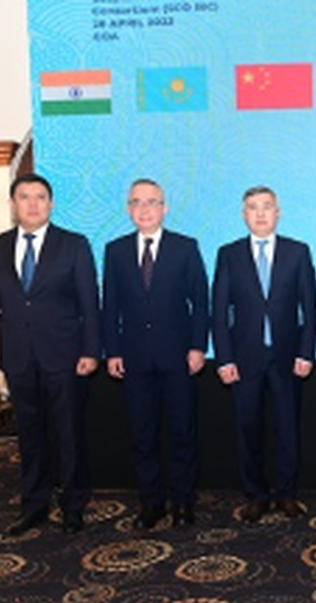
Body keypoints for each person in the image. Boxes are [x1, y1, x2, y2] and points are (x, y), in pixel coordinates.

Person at [0, 172, 100, 535]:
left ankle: (73, 505)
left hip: (65, 355)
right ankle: (34, 504)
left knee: (69, 433)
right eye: (25, 197)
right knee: (29, 434)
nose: (33, 204)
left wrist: (91, 350)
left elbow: (89, 303)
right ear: (13, 204)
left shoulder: (73, 244)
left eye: (40, 197)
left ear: (51, 204)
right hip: (18, 356)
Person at [102, 179, 209, 529]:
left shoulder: (185, 247)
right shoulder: (115, 251)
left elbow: (200, 302)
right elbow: (110, 306)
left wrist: (198, 346)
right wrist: (112, 350)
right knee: (142, 435)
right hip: (133, 357)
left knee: (183, 432)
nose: (144, 209)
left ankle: (183, 502)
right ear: (128, 209)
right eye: (137, 202)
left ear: (165, 208)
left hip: (179, 356)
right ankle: (151, 504)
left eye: (152, 202)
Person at [212, 186, 316, 522]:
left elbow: (310, 309)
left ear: (278, 213)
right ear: (244, 215)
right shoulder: (229, 254)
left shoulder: (297, 252)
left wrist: (306, 352)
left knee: (287, 428)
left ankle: (286, 493)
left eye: (267, 206)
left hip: (288, 357)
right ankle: (255, 495)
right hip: (243, 359)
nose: (260, 213)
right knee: (248, 429)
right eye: (253, 207)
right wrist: (224, 357)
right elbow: (219, 312)